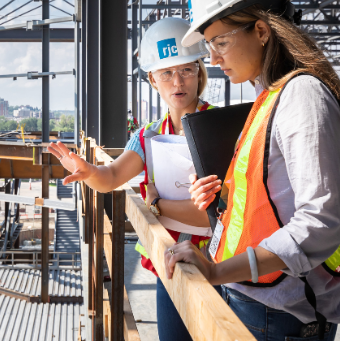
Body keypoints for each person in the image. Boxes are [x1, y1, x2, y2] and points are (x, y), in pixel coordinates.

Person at [163, 0, 340, 341]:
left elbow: (317, 225)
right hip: (258, 300)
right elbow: (272, 199)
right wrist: (222, 195)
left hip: (280, 315)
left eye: (220, 42)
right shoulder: (272, 96)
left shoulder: (302, 95)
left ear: (261, 30)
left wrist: (217, 271)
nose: (212, 59)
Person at [48, 17, 220, 341]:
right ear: (154, 80)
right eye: (167, 73)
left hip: (217, 263)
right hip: (170, 264)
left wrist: (156, 203)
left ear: (199, 70)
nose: (177, 81)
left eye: (185, 69)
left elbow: (214, 213)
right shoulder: (149, 136)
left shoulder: (222, 129)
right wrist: (89, 172)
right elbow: (111, 176)